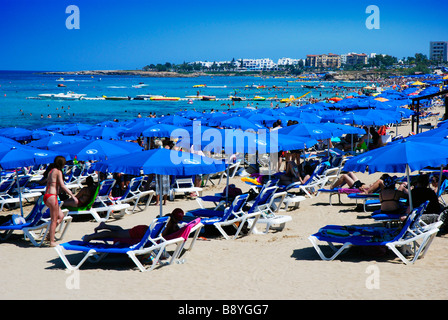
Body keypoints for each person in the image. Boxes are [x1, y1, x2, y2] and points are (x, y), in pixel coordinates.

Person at [81, 208, 185, 245]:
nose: (178, 222)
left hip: (143, 230)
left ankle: (105, 225)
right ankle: (89, 237)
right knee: (114, 234)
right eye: (177, 220)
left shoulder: (167, 219)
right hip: (140, 232)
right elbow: (161, 235)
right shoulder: (169, 224)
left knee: (120, 231)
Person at [44, 156, 76, 247]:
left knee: (61, 216)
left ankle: (50, 235)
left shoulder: (51, 171)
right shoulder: (58, 172)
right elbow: (62, 185)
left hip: (47, 196)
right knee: (54, 220)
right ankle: (52, 241)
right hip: (52, 196)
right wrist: (72, 195)